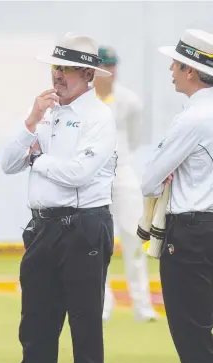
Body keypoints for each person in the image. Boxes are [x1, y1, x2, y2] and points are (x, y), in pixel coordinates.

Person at [0, 32, 116, 363]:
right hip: (41, 229)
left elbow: (78, 174)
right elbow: (6, 163)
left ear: (86, 75)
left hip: (83, 227)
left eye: (65, 69)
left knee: (85, 331)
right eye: (54, 68)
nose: (57, 77)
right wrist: (30, 124)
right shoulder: (45, 113)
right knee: (36, 331)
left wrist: (39, 158)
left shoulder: (99, 116)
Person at [142, 28, 213, 363]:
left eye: (176, 64)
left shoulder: (192, 117)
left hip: (193, 232)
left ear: (192, 70)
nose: (170, 69)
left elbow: (151, 178)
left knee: (193, 336)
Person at [94, 47, 158, 322]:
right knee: (99, 242)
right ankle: (103, 305)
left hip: (122, 173)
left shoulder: (129, 101)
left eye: (112, 66)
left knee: (134, 238)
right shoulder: (85, 100)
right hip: (94, 178)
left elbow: (133, 138)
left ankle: (142, 307)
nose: (109, 71)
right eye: (103, 66)